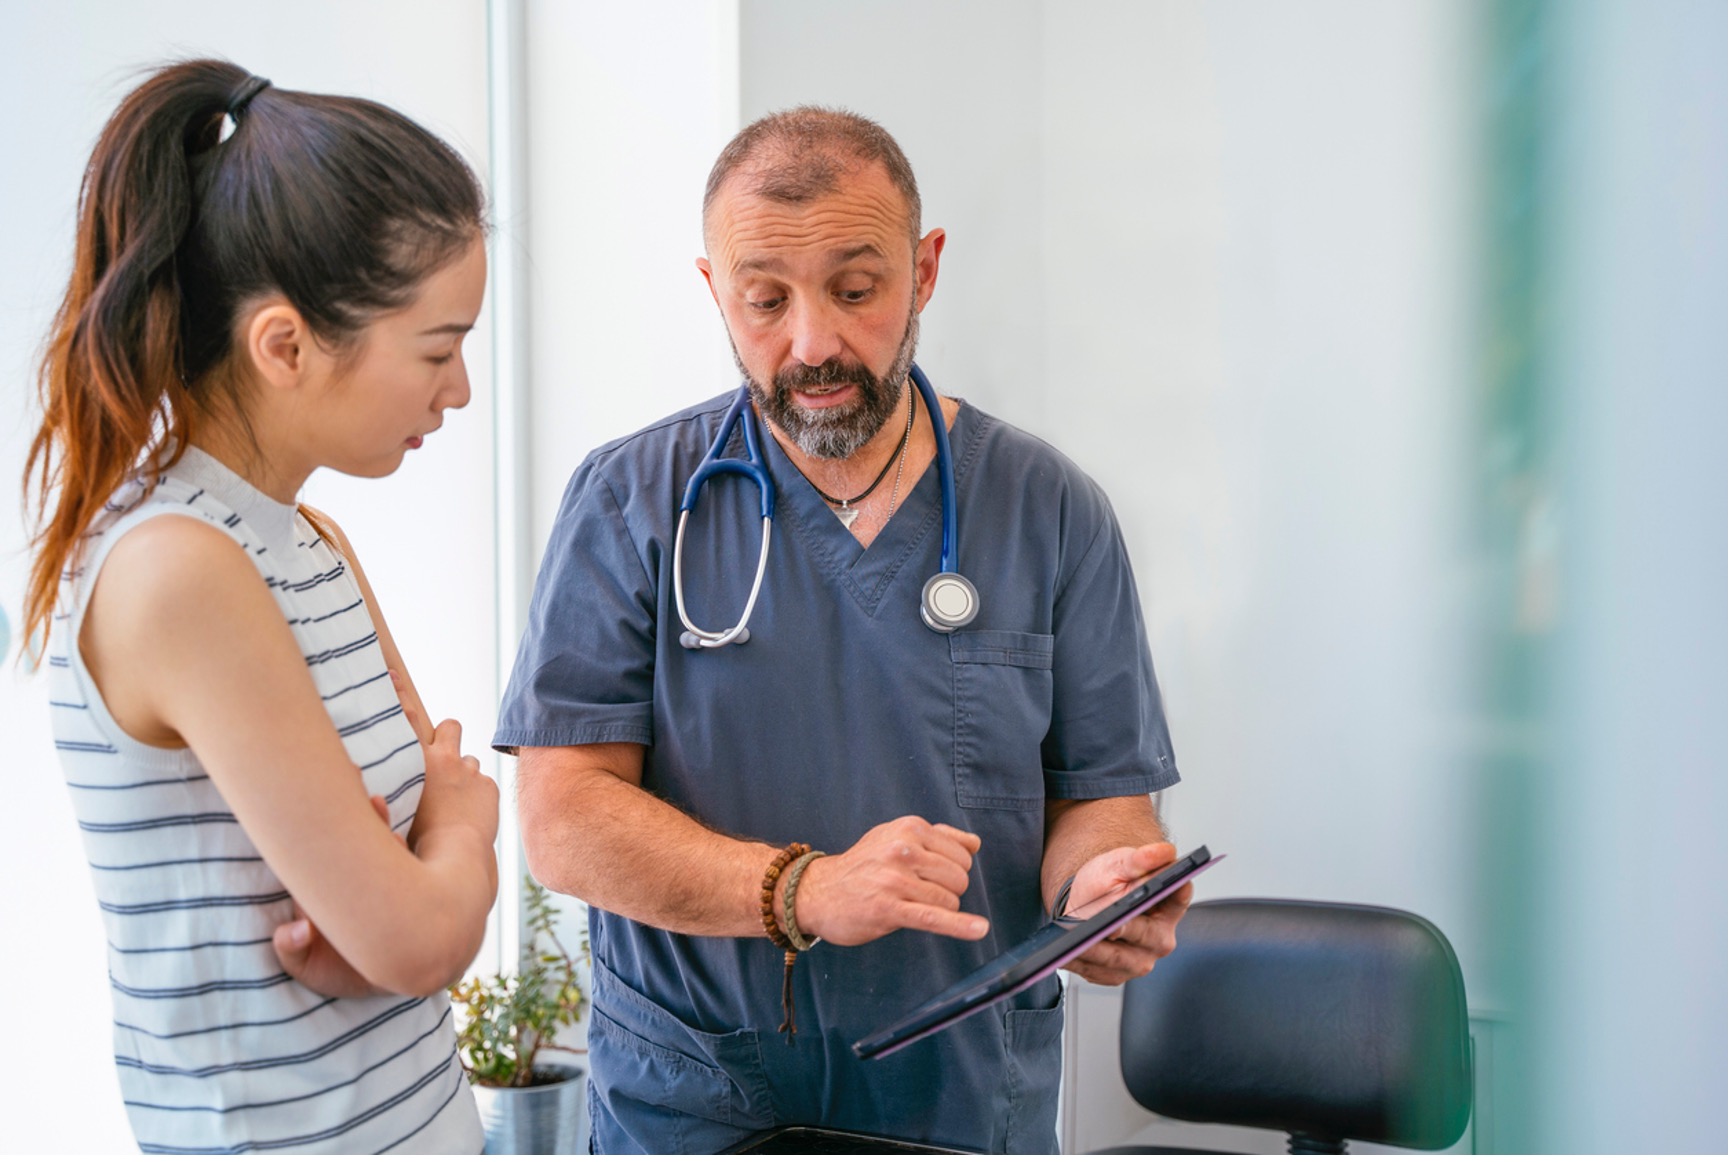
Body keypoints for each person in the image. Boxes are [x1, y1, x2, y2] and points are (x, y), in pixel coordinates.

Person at [495, 106, 1189, 1154]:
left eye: (856, 290)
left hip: (952, 1096)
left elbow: (1101, 804)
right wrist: (803, 888)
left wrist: (1099, 890)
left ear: (924, 270)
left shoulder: (1047, 508)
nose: (812, 342)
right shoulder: (631, 499)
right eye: (764, 300)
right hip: (693, 1094)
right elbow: (564, 820)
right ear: (713, 290)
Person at [23, 60, 499, 1153]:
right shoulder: (174, 570)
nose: (458, 389)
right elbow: (421, 922)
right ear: (284, 345)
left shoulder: (311, 543)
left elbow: (420, 827)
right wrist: (462, 839)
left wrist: (414, 881)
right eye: (438, 348)